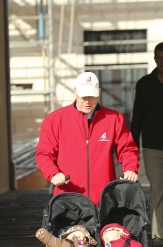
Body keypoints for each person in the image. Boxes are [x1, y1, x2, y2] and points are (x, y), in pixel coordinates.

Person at [35, 71, 139, 206]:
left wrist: (130, 168)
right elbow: (44, 154)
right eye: (83, 96)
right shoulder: (55, 120)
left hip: (104, 199)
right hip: (67, 199)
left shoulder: (114, 119)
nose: (87, 101)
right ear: (75, 92)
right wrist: (53, 174)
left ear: (99, 92)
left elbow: (127, 149)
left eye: (92, 96)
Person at [131, 42, 163, 247]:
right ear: (154, 59)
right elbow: (138, 118)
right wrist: (132, 148)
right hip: (152, 147)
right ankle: (157, 235)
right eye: (159, 58)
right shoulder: (144, 84)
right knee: (157, 189)